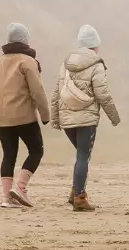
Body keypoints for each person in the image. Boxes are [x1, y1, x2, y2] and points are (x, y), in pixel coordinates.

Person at [50, 24, 120, 212]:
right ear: (95, 46)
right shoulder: (96, 64)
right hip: (86, 119)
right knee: (83, 156)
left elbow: (57, 92)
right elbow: (103, 94)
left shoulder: (66, 63)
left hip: (67, 119)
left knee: (81, 155)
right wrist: (114, 116)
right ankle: (80, 197)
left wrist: (55, 118)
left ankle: (75, 193)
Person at [0, 23, 51, 208]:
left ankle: (7, 198)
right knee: (36, 150)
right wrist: (45, 114)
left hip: (1, 117)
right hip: (23, 116)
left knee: (9, 155)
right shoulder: (27, 61)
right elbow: (38, 91)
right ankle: (21, 188)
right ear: (25, 40)